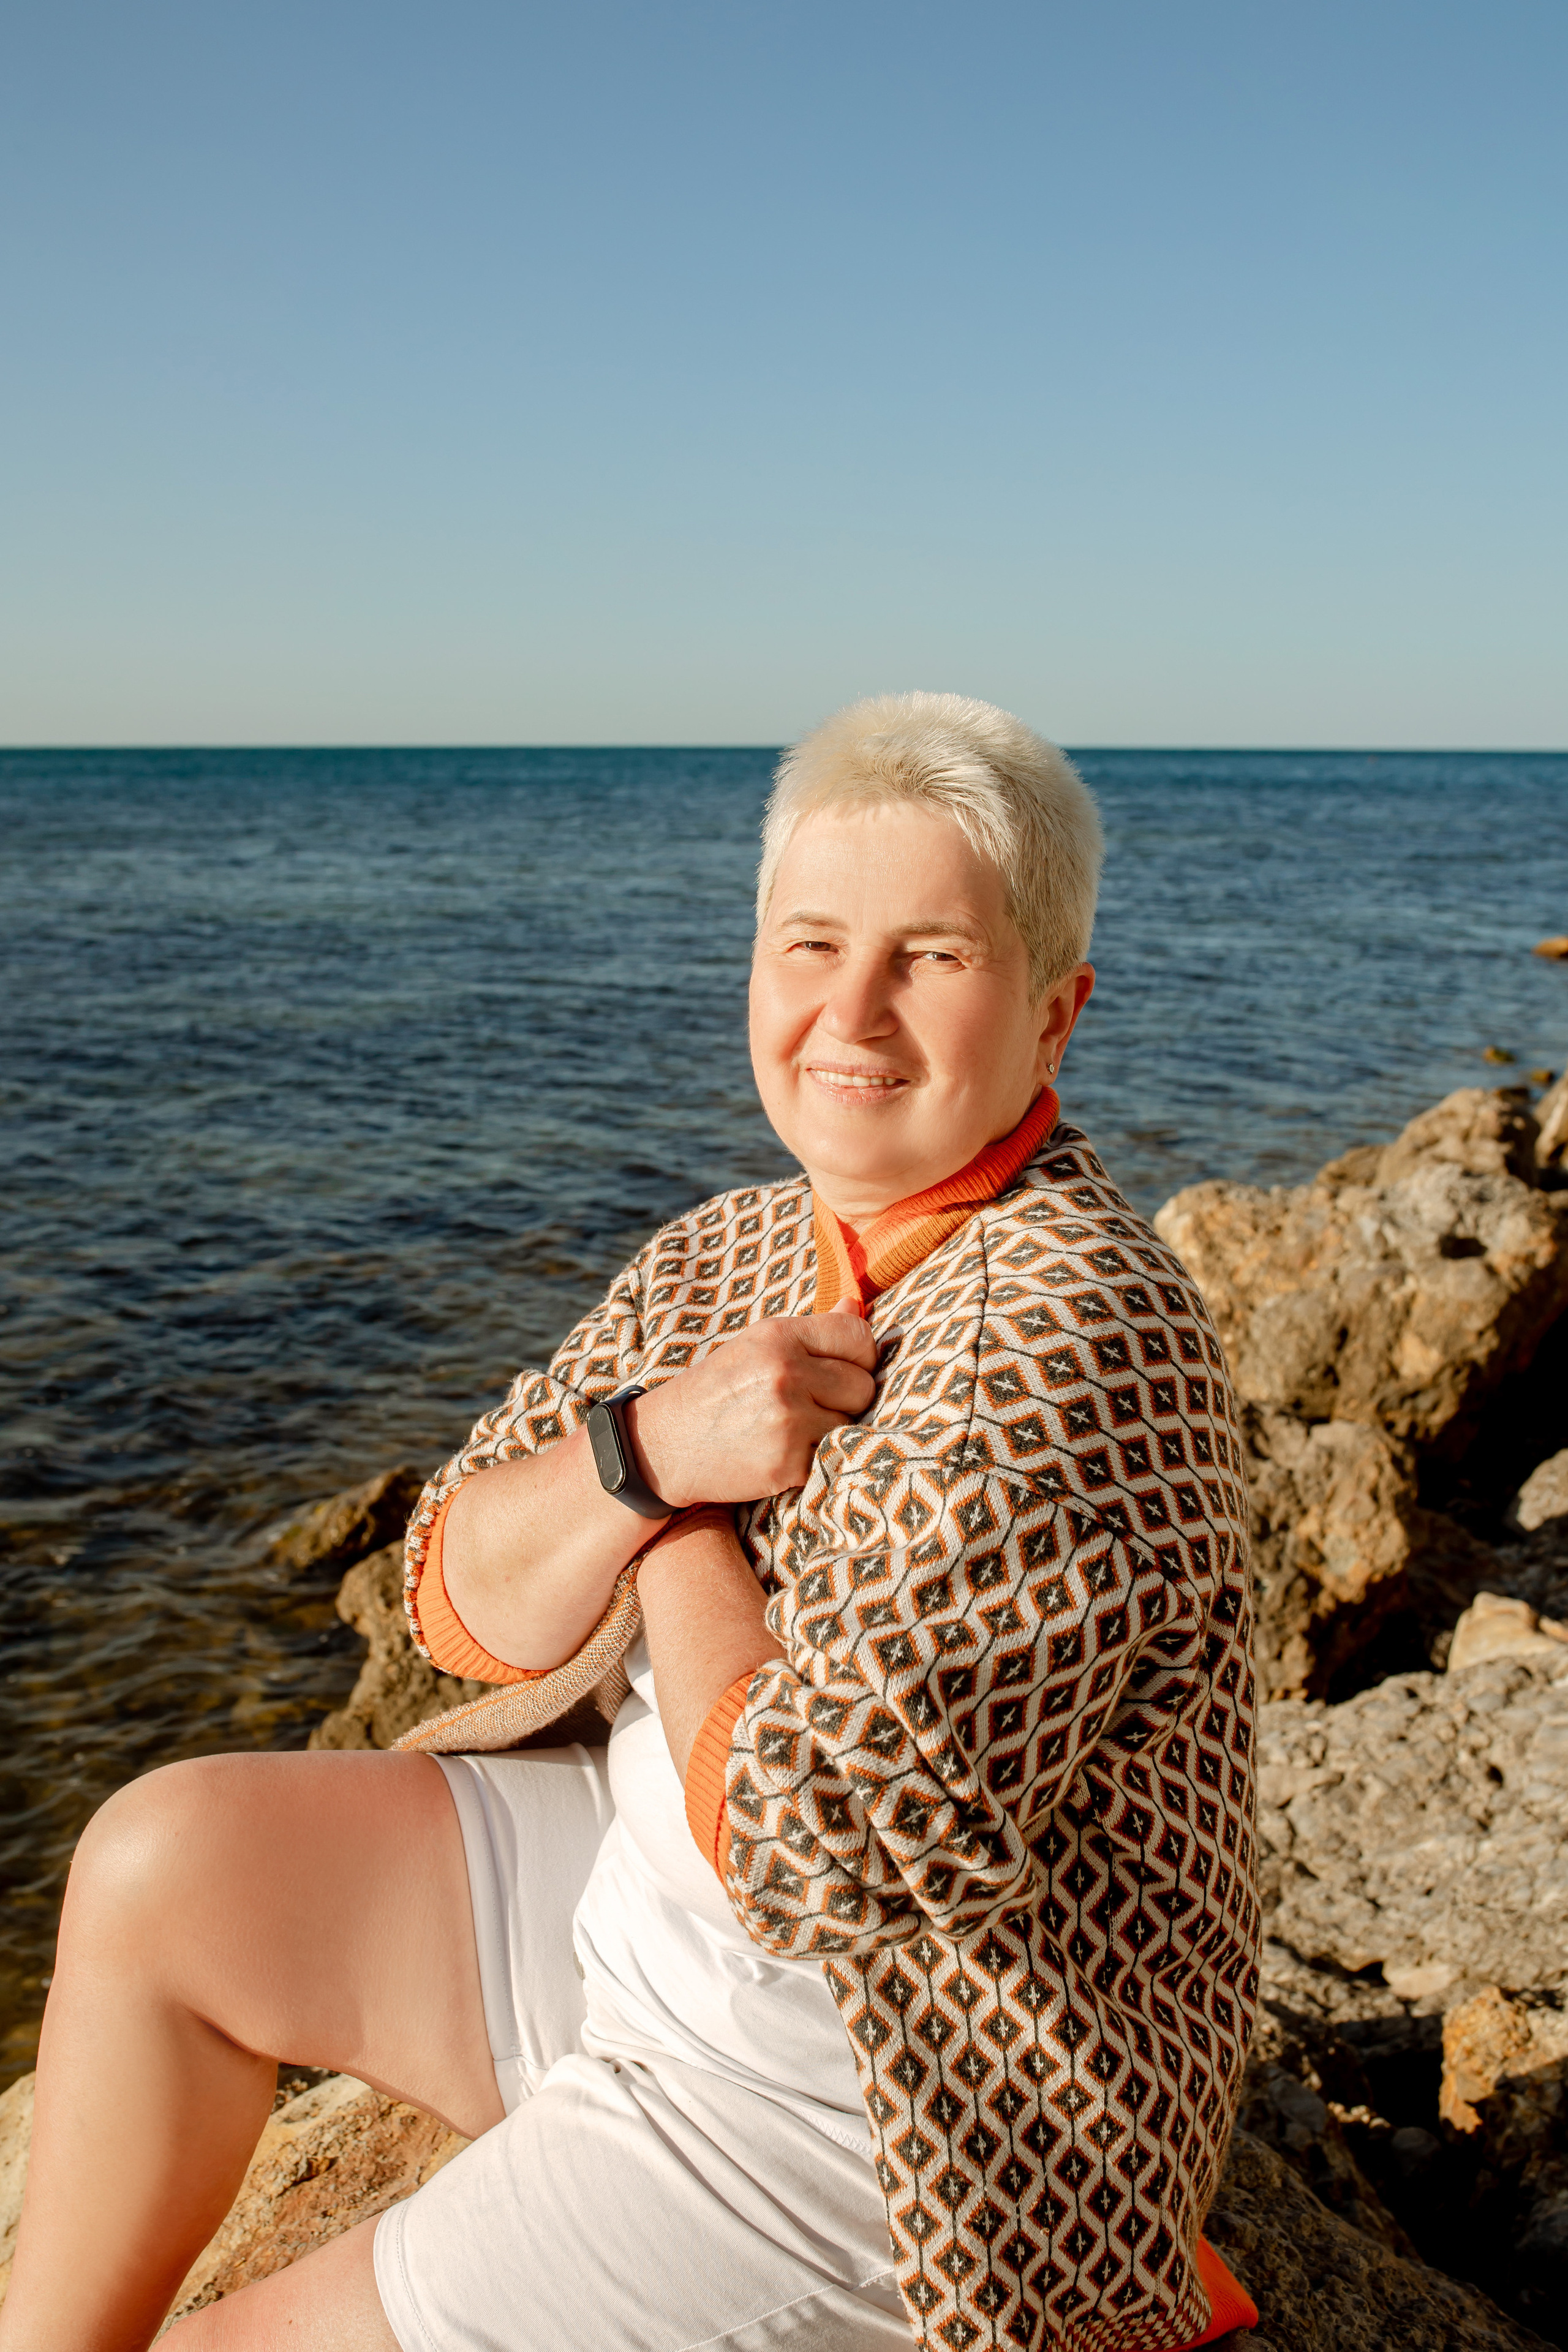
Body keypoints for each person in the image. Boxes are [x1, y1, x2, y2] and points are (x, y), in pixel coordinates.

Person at [1, 694, 1260, 2352]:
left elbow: (826, 1846)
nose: (851, 1013)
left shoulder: (1074, 1329)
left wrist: (666, 1527)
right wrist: (653, 1446)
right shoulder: (733, 1249)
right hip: (637, 1926)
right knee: (164, 1862)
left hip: (890, 2100)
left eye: (933, 958)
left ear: (1054, 1015)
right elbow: (449, 1594)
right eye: (811, 944)